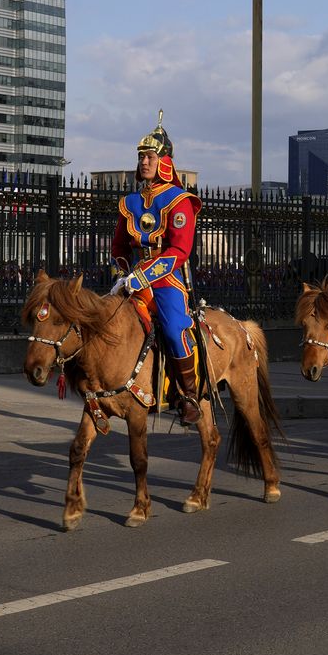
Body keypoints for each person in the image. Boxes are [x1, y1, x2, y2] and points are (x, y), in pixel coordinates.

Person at [110, 112, 205, 426]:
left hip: (166, 281)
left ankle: (189, 397)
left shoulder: (180, 201)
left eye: (150, 156)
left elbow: (179, 251)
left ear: (165, 161)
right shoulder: (130, 202)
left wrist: (141, 276)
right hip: (131, 281)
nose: (144, 162)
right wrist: (121, 275)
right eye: (141, 157)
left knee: (176, 330)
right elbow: (119, 248)